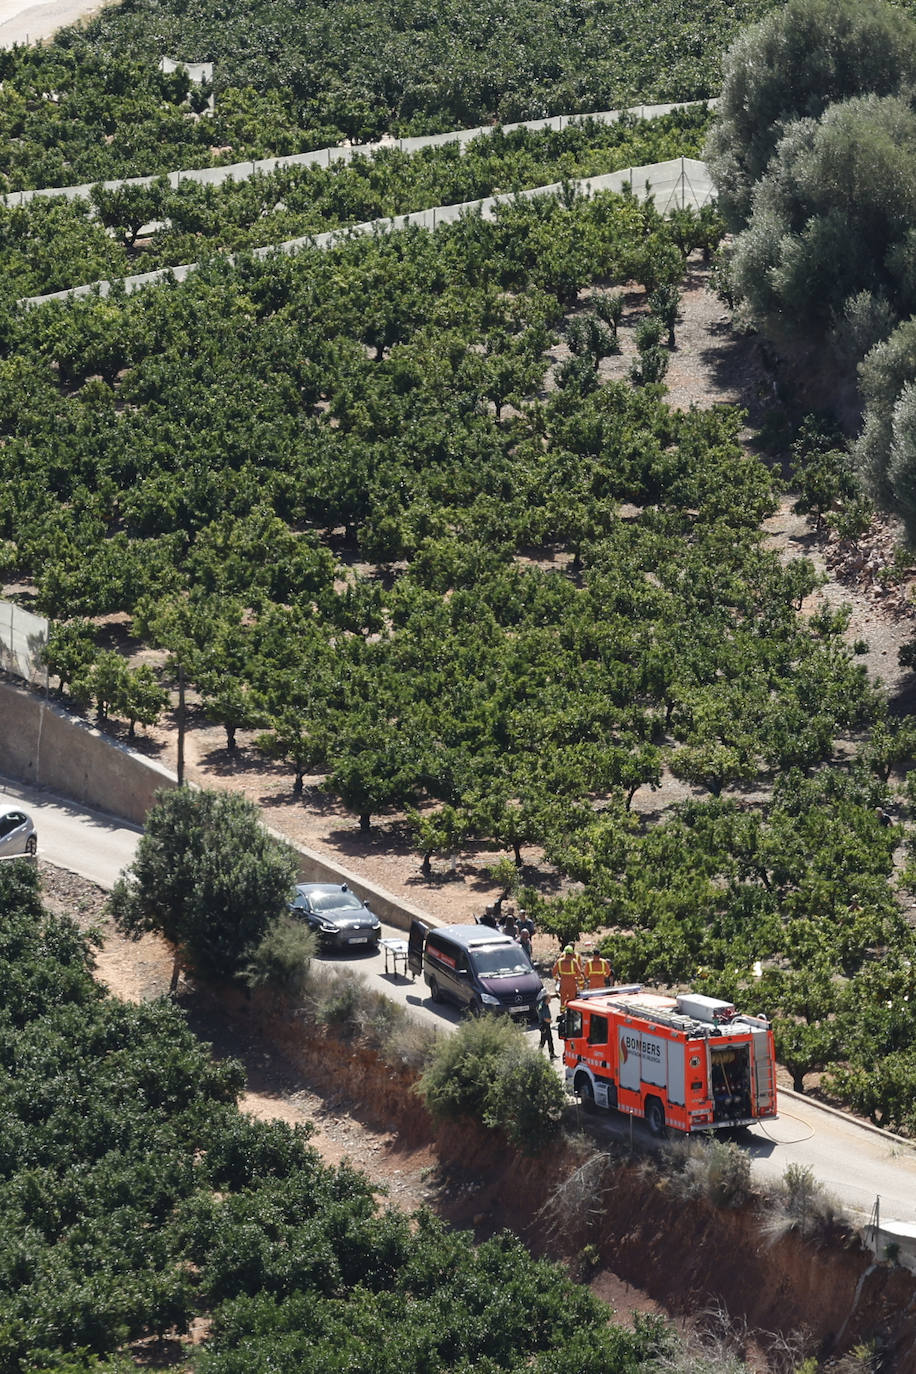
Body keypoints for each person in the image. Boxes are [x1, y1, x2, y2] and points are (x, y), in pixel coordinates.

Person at [536, 991, 556, 1059]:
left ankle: (552, 1054)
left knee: (549, 1040)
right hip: (544, 1025)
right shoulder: (543, 1006)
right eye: (549, 998)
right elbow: (544, 1018)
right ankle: (539, 1055)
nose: (550, 1000)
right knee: (543, 1041)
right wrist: (550, 1021)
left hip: (546, 1024)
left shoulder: (544, 1004)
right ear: (546, 999)